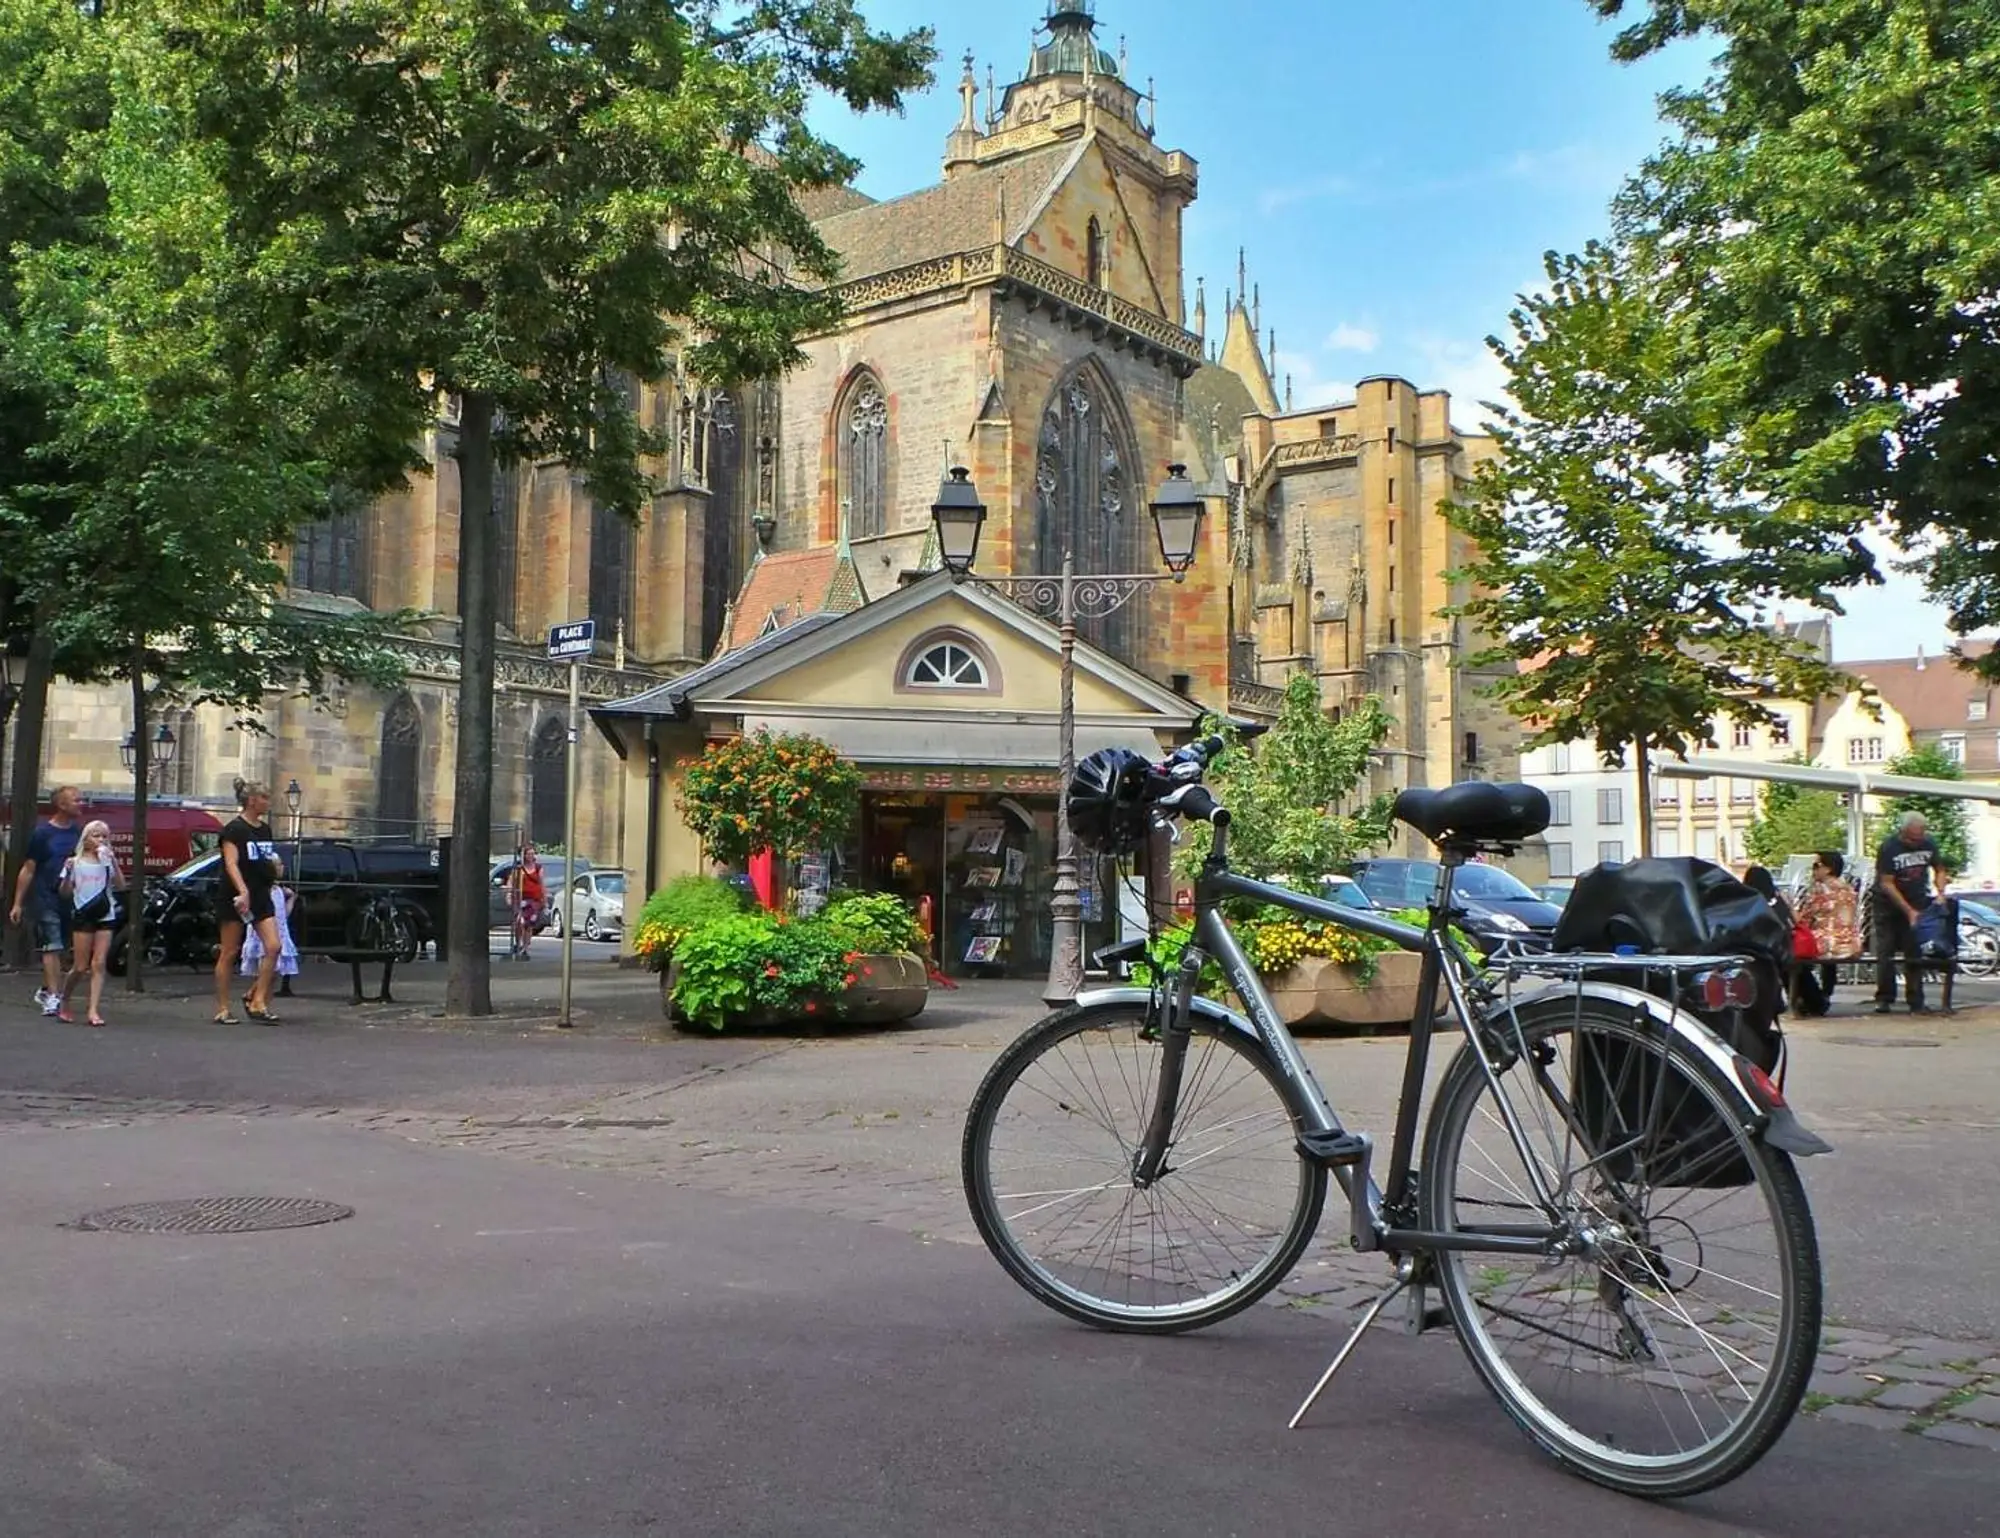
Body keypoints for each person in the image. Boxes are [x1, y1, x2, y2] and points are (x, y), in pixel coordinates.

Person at [8, 785, 82, 1018]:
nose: (81, 803)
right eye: (76, 800)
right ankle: (53, 996)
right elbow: (29, 869)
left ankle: (46, 988)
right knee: (52, 945)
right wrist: (18, 903)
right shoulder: (42, 834)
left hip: (68, 898)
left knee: (63, 949)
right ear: (61, 804)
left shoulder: (78, 834)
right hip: (44, 897)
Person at [216, 779, 285, 1024]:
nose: (268, 802)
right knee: (230, 951)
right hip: (234, 896)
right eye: (264, 797)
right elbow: (231, 863)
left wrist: (275, 872)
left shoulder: (265, 829)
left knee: (274, 947)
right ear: (252, 800)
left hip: (261, 894)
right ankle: (223, 1007)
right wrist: (242, 891)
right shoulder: (234, 830)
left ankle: (257, 999)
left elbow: (265, 860)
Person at [52, 819, 124, 1027]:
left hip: (105, 914)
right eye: (96, 835)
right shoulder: (75, 862)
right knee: (81, 966)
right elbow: (65, 893)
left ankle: (93, 1009)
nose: (100, 840)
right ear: (86, 838)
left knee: (99, 963)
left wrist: (114, 862)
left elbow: (120, 885)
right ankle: (65, 998)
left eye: (104, 836)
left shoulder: (106, 861)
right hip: (83, 914)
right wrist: (67, 876)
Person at [1874, 810, 1946, 1015]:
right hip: (1887, 905)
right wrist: (1908, 911)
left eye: (1919, 837)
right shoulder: (1889, 847)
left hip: (1918, 900)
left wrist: (1940, 893)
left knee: (1913, 949)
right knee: (1885, 950)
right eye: (1911, 838)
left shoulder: (1929, 843)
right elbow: (1887, 883)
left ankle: (1916, 999)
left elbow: (1940, 869)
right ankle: (1884, 997)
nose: (1915, 842)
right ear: (1903, 832)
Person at [1794, 850, 1861, 1016]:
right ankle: (1826, 993)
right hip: (1851, 943)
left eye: (1816, 866)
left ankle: (1809, 997)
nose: (1813, 870)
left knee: (1796, 951)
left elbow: (1805, 918)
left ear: (1828, 869)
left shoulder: (1819, 891)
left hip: (1828, 942)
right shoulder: (1849, 889)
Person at [240, 882, 299, 997]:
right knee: (265, 968)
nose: (281, 868)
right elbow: (247, 912)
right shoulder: (260, 890)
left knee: (273, 971)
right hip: (262, 933)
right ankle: (255, 997)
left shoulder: (279, 891)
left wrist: (291, 898)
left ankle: (255, 996)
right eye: (278, 865)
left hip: (279, 932)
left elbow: (283, 914)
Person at [510, 845, 545, 961]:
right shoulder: (518, 869)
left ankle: (525, 948)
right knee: (519, 921)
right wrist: (509, 894)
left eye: (532, 853)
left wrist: (544, 899)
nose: (530, 856)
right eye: (528, 853)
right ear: (523, 855)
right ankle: (518, 943)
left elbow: (542, 884)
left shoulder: (538, 868)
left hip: (534, 900)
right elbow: (511, 882)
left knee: (529, 925)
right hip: (521, 899)